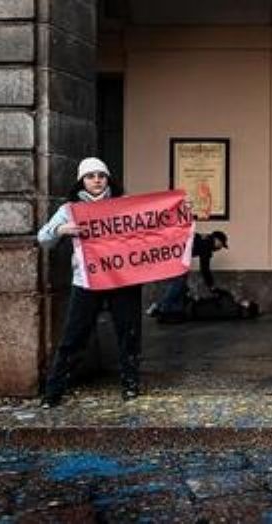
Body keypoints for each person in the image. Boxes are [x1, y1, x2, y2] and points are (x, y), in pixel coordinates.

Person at [37, 157, 142, 408]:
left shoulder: (123, 204)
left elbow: (153, 224)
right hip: (86, 280)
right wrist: (61, 230)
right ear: (82, 181)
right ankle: (54, 390)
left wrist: (179, 210)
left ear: (108, 179)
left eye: (101, 175)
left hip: (122, 279)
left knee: (128, 333)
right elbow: (43, 238)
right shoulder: (68, 210)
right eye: (90, 176)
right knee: (73, 336)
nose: (96, 180)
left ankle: (130, 383)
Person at [151, 230, 228, 318]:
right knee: (178, 283)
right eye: (221, 245)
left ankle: (175, 311)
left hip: (173, 254)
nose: (220, 248)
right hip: (175, 256)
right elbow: (205, 269)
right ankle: (161, 308)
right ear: (217, 240)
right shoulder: (208, 243)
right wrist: (211, 286)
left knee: (182, 284)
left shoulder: (203, 238)